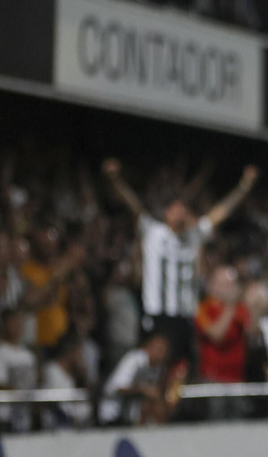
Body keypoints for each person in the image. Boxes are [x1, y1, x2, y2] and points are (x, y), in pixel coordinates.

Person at [101, 158, 258, 373]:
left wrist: (243, 187)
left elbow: (219, 213)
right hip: (158, 315)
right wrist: (115, 180)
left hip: (185, 315)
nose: (180, 213)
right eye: (175, 209)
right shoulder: (154, 232)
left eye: (183, 209)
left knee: (183, 370)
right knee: (152, 367)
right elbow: (133, 206)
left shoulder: (194, 236)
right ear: (166, 213)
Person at [195, 266, 252, 419]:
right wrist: (230, 307)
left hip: (237, 378)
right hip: (214, 379)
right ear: (212, 284)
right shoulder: (203, 308)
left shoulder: (240, 308)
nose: (227, 288)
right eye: (223, 284)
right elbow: (217, 335)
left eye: (230, 284)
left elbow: (252, 332)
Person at [100, 331, 172, 426]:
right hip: (112, 415)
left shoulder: (157, 369)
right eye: (160, 350)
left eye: (164, 352)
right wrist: (143, 390)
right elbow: (117, 387)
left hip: (130, 418)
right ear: (149, 347)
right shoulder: (135, 359)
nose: (162, 355)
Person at [0, 308, 37, 433]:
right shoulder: (0, 351)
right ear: (4, 325)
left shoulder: (28, 355)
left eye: (19, 321)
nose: (17, 325)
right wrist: (17, 393)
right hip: (3, 416)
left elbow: (33, 382)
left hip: (24, 415)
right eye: (13, 321)